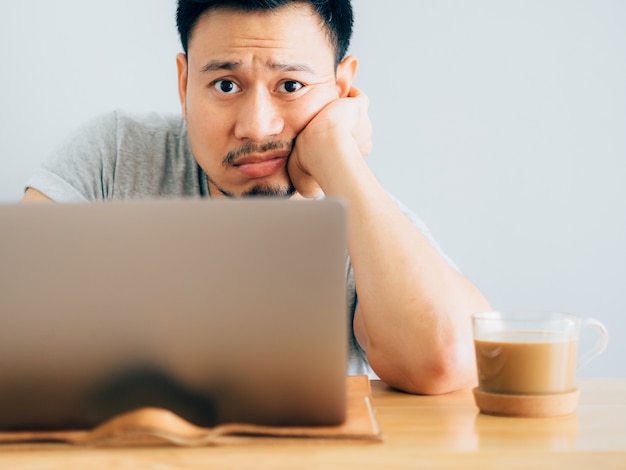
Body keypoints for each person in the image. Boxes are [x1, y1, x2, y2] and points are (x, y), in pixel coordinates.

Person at [22, 0, 491, 394]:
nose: (256, 126)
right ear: (185, 84)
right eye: (225, 85)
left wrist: (336, 151)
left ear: (343, 88)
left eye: (291, 86)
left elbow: (446, 361)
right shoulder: (117, 155)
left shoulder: (366, 225)